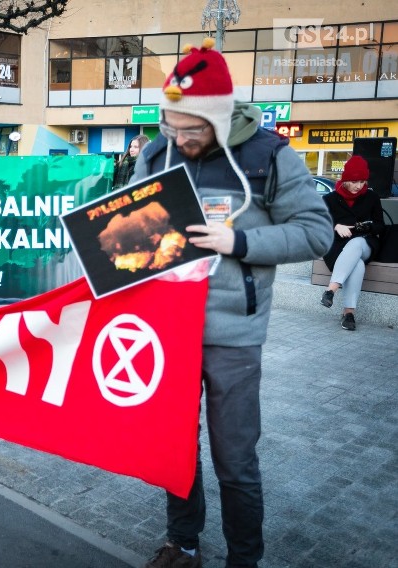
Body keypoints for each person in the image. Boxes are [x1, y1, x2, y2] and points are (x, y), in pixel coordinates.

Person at [131, 39, 333, 568]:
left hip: (232, 336)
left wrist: (238, 242)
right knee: (175, 450)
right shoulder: (156, 151)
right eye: (171, 125)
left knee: (235, 460)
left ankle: (244, 558)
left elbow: (316, 233)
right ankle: (184, 544)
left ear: (219, 121)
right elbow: (127, 226)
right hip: (167, 329)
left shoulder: (268, 155)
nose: (179, 138)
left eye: (191, 130)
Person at [319, 155, 384, 331]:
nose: (358, 186)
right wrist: (335, 226)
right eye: (354, 181)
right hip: (337, 248)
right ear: (345, 179)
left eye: (362, 181)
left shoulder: (371, 197)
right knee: (357, 266)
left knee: (356, 243)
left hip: (365, 244)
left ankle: (331, 290)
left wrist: (366, 227)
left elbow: (380, 225)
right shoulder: (330, 199)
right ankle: (349, 314)